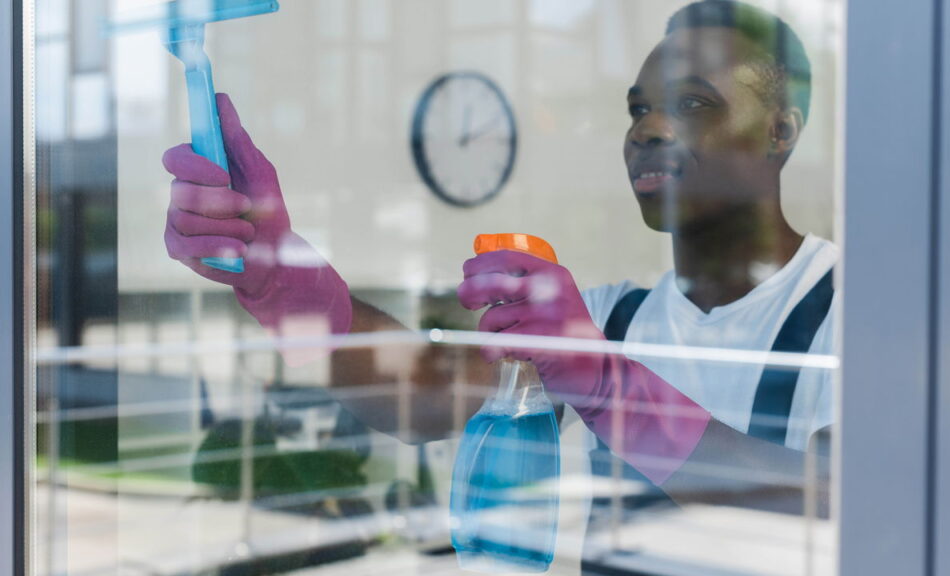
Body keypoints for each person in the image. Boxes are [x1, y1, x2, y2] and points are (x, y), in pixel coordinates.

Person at [161, 0, 834, 512]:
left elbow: (838, 504)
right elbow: (417, 401)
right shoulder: (615, 319)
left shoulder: (854, 315)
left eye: (692, 103)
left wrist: (611, 391)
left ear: (779, 132)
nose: (648, 129)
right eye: (638, 109)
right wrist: (282, 282)